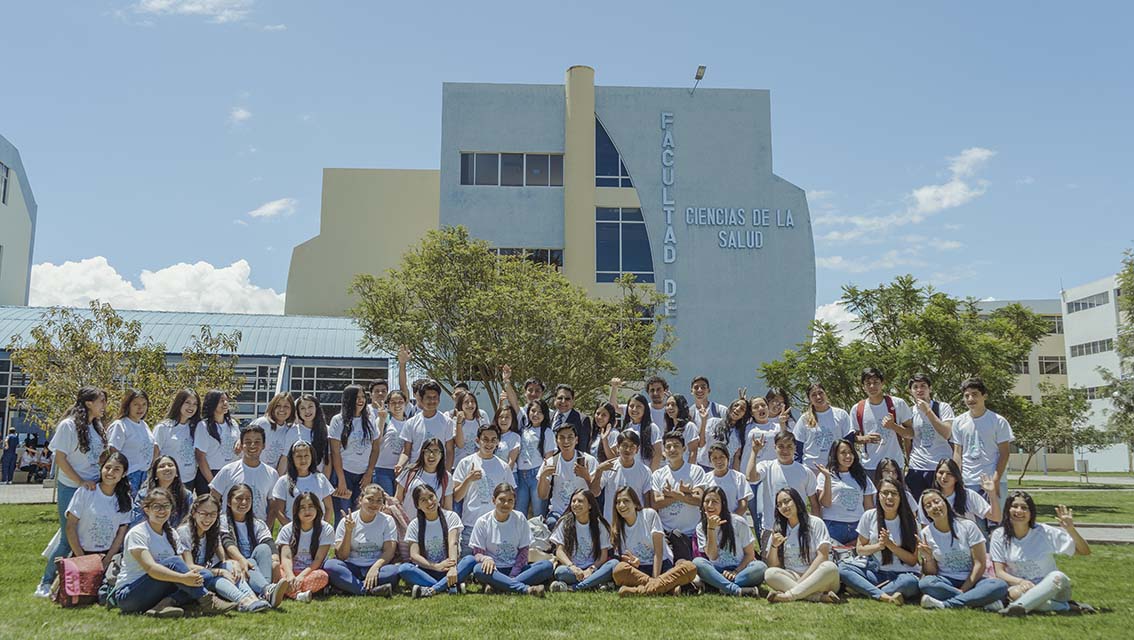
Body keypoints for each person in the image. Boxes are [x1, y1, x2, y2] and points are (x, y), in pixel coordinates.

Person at [108, 487, 236, 617]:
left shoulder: (172, 534)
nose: (162, 511)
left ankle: (165, 604)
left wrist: (188, 577)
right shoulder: (138, 533)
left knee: (205, 575)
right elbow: (151, 568)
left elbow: (183, 567)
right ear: (147, 510)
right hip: (130, 596)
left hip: (158, 591)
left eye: (166, 506)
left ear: (171, 509)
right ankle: (207, 601)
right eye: (157, 507)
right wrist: (183, 578)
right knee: (173, 563)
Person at [36, 386, 108, 598]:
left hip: (93, 486)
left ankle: (77, 578)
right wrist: (80, 481)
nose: (104, 406)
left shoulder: (96, 427)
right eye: (101, 401)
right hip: (72, 486)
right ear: (88, 403)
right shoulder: (68, 426)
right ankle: (45, 583)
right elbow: (60, 459)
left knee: (86, 535)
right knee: (69, 537)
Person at [992, 492, 1095, 616]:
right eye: (1014, 506)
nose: (1019, 511)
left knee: (1057, 576)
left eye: (1024, 508)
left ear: (1031, 513)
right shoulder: (999, 535)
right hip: (1022, 588)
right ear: (1008, 509)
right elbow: (1000, 572)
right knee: (1015, 594)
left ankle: (1016, 606)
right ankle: (1067, 607)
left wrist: (1070, 529)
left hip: (1054, 588)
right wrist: (1020, 582)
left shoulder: (1045, 532)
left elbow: (1085, 551)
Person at [179, 493, 275, 612]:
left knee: (231, 566)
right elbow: (189, 566)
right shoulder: (184, 532)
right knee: (220, 577)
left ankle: (253, 599)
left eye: (213, 514)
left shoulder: (212, 531)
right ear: (194, 513)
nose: (208, 519)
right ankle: (243, 601)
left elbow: (223, 559)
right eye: (203, 514)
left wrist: (233, 563)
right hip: (195, 578)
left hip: (209, 573)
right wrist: (219, 571)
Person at [916, 488, 1009, 610]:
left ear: (946, 503)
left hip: (974, 580)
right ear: (926, 513)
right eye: (928, 506)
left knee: (999, 585)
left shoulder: (967, 526)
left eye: (937, 501)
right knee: (926, 583)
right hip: (946, 581)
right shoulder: (925, 534)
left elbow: (980, 564)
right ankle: (976, 600)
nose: (934, 507)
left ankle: (946, 604)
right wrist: (928, 558)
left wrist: (964, 589)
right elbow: (931, 573)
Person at [838, 477, 921, 605]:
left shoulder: (910, 522)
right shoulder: (869, 516)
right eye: (885, 493)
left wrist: (891, 546)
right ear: (879, 495)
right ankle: (884, 595)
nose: (889, 497)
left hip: (902, 573)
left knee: (911, 583)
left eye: (894, 493)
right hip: (876, 572)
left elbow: (912, 560)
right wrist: (879, 546)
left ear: (900, 497)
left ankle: (865, 590)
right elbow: (860, 550)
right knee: (843, 569)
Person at [609, 486, 697, 596]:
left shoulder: (649, 515)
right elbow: (622, 557)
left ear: (636, 504)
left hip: (662, 566)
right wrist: (630, 561)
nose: (621, 505)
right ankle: (667, 589)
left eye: (626, 501)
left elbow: (658, 553)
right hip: (639, 570)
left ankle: (640, 591)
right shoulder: (617, 528)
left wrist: (655, 579)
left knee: (690, 567)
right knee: (618, 570)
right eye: (618, 502)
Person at [468, 483, 553, 596]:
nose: (506, 504)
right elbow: (477, 553)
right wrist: (485, 559)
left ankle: (501, 586)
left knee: (546, 566)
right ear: (493, 500)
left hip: (516, 569)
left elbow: (524, 552)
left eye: (510, 500)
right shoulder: (483, 522)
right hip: (493, 571)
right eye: (502, 500)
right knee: (478, 569)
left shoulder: (520, 518)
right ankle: (525, 589)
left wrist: (513, 575)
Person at [60, 451, 133, 576]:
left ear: (124, 473)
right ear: (101, 468)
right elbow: (70, 526)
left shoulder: (125, 499)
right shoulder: (85, 492)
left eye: (116, 469)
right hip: (81, 553)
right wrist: (83, 559)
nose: (110, 473)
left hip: (108, 556)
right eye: (107, 467)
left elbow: (121, 534)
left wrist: (107, 561)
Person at [764, 488, 841, 603]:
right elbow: (773, 565)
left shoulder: (815, 523)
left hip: (819, 578)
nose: (784, 506)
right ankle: (817, 597)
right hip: (793, 576)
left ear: (797, 501)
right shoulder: (779, 529)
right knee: (769, 574)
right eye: (779, 505)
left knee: (830, 567)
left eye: (787, 501)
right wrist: (774, 546)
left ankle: (789, 596)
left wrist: (803, 582)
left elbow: (823, 556)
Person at [398, 484, 476, 598]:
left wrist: (453, 568)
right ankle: (450, 586)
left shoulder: (451, 516)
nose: (430, 502)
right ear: (418, 506)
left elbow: (453, 543)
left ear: (437, 497)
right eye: (423, 500)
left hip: (449, 569)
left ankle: (432, 589)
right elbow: (414, 556)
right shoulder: (415, 525)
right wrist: (436, 566)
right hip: (428, 570)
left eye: (431, 497)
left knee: (470, 560)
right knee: (404, 568)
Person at [324, 483, 399, 596]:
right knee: (330, 566)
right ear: (360, 500)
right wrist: (348, 531)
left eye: (379, 500)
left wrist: (375, 568)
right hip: (352, 566)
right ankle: (368, 590)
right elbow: (341, 556)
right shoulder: (348, 520)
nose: (374, 504)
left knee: (393, 572)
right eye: (370, 499)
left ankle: (349, 587)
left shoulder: (387, 521)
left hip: (376, 565)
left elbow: (389, 551)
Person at [220, 483, 291, 604]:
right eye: (239, 498)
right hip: (233, 564)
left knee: (263, 548)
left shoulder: (257, 523)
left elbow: (268, 542)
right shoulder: (222, 521)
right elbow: (227, 543)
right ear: (228, 502)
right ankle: (267, 590)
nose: (243, 502)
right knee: (250, 562)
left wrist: (275, 561)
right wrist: (242, 559)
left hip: (254, 567)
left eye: (248, 499)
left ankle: (267, 590)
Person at [746, 431, 820, 546]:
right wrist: (754, 452)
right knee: (771, 563)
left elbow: (814, 504)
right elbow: (751, 477)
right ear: (774, 447)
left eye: (789, 446)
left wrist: (814, 529)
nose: (785, 450)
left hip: (799, 529)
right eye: (781, 446)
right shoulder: (767, 466)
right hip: (772, 528)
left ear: (795, 448)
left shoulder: (805, 472)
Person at [951, 377, 1013, 511]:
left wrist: (995, 480)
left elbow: (1004, 453)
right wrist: (957, 479)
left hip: (993, 481)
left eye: (974, 394)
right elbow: (957, 453)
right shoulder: (958, 422)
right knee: (976, 526)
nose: (970, 399)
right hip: (969, 481)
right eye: (966, 396)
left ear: (984, 396)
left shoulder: (998, 421)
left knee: (996, 524)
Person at [692, 486, 765, 597]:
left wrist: (735, 572)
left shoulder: (738, 522)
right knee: (697, 562)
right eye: (707, 501)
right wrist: (710, 529)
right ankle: (735, 590)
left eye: (715, 501)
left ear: (723, 504)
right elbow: (712, 557)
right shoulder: (701, 527)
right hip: (716, 570)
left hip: (740, 570)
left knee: (760, 567)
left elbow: (750, 554)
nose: (710, 505)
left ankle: (716, 585)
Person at [454, 425, 516, 552]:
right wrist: (468, 480)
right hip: (470, 525)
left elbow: (511, 498)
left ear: (498, 442)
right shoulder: (465, 462)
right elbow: (456, 496)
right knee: (467, 565)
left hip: (495, 525)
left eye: (493, 440)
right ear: (477, 441)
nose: (489, 443)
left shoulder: (504, 467)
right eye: (485, 439)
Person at [651, 429, 707, 562]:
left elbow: (699, 500)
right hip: (667, 533)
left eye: (676, 445)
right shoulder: (658, 474)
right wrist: (684, 494)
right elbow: (655, 503)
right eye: (668, 446)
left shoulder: (695, 471)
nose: (672, 449)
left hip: (692, 532)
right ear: (664, 452)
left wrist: (672, 494)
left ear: (684, 448)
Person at [329, 385, 380, 523]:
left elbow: (375, 448)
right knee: (343, 516)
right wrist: (341, 480)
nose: (361, 400)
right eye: (357, 397)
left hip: (364, 475)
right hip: (344, 473)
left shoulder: (370, 419)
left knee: (361, 514)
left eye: (363, 397)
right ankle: (342, 543)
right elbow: (335, 452)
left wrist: (369, 472)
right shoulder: (338, 420)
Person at [210, 425, 280, 524]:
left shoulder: (272, 474)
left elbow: (273, 507)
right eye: (247, 442)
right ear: (242, 445)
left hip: (257, 528)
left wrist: (266, 529)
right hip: (230, 527)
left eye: (257, 442)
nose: (252, 445)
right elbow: (213, 498)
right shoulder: (228, 470)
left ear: (263, 445)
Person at [548, 489, 615, 592]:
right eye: (573, 501)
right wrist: (573, 567)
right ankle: (594, 583)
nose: (576, 504)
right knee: (560, 572)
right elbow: (559, 551)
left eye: (580, 501)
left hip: (593, 568)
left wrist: (591, 569)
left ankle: (574, 587)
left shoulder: (599, 524)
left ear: (590, 505)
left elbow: (603, 556)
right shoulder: (565, 522)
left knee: (613, 564)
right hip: (571, 569)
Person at [851, 368, 914, 473]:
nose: (872, 386)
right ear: (863, 386)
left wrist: (893, 426)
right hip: (869, 466)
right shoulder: (857, 408)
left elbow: (911, 433)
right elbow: (853, 437)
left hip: (894, 465)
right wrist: (864, 438)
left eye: (876, 382)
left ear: (882, 383)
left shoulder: (898, 404)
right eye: (868, 383)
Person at [538, 423, 599, 531]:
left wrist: (586, 477)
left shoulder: (588, 460)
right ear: (557, 441)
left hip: (583, 511)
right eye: (562, 437)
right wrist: (543, 477)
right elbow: (543, 495)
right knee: (552, 523)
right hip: (558, 512)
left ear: (576, 440)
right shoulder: (551, 462)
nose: (566, 441)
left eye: (570, 437)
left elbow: (596, 492)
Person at [276, 492, 335, 602]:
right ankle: (299, 595)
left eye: (311, 507)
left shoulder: (326, 529)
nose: (307, 511)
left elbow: (318, 560)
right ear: (296, 511)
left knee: (322, 576)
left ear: (317, 508)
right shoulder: (287, 529)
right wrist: (290, 576)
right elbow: (286, 558)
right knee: (275, 570)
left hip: (311, 571)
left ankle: (287, 591)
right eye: (302, 508)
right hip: (290, 570)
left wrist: (301, 576)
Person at [905, 373, 955, 499]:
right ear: (910, 391)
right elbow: (908, 440)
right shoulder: (909, 412)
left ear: (930, 389)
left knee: (941, 506)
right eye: (915, 387)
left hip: (940, 468)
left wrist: (928, 411)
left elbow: (947, 433)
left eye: (923, 386)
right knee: (918, 509)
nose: (919, 390)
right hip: (917, 467)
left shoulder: (942, 407)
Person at [817, 440, 876, 546]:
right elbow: (825, 503)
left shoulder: (862, 476)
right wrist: (827, 478)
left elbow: (869, 507)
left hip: (857, 526)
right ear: (835, 455)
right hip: (833, 526)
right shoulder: (825, 475)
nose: (848, 456)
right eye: (843, 453)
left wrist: (870, 528)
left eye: (851, 452)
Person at [590, 430, 654, 523]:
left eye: (632, 446)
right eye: (624, 445)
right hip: (612, 522)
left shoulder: (645, 471)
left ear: (637, 449)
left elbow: (647, 501)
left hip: (636, 523)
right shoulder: (608, 467)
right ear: (617, 447)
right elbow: (594, 493)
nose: (628, 449)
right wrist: (599, 471)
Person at [396, 380, 455, 475]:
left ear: (439, 399)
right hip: (415, 472)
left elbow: (450, 451)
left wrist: (447, 473)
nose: (432, 401)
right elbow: (406, 451)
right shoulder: (411, 423)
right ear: (421, 399)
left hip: (438, 473)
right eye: (428, 397)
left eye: (435, 397)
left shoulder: (447, 422)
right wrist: (400, 464)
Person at [269, 441, 334, 526]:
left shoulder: (321, 478)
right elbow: (279, 511)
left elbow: (329, 508)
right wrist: (291, 531)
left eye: (306, 456)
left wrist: (323, 529)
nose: (303, 460)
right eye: (299, 456)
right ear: (292, 458)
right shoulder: (283, 481)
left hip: (316, 530)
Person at [106, 388, 156, 493]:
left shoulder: (144, 425)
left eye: (144, 404)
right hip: (129, 475)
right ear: (128, 405)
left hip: (145, 476)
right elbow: (113, 451)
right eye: (136, 404)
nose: (140, 408)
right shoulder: (120, 425)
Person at [795, 383, 855, 468]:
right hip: (812, 468)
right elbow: (797, 446)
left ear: (826, 393)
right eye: (814, 395)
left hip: (836, 467)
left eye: (820, 393)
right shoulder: (804, 419)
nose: (818, 397)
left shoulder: (841, 415)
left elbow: (849, 442)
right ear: (809, 399)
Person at [930, 458, 1000, 531]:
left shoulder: (968, 495)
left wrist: (992, 494)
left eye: (949, 473)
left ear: (956, 477)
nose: (944, 477)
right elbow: (925, 526)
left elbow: (995, 517)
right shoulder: (929, 498)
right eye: (941, 473)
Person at [193, 390, 241, 496]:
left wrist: (240, 441)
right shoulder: (203, 426)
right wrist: (214, 483)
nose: (225, 403)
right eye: (221, 401)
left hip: (230, 474)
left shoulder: (233, 424)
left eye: (226, 400)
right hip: (210, 475)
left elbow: (240, 440)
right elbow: (200, 457)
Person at [743, 396, 778, 531]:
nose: (760, 409)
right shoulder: (746, 428)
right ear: (751, 412)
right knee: (754, 516)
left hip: (767, 477)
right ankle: (761, 547)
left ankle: (768, 547)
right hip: (748, 477)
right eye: (756, 407)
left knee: (762, 512)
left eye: (763, 405)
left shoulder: (776, 427)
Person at [152, 389, 201, 486]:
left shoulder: (197, 427)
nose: (191, 407)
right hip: (168, 480)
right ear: (179, 403)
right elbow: (155, 454)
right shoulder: (164, 427)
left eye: (195, 404)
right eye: (187, 402)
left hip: (189, 480)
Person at [514, 398, 554, 517]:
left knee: (538, 512)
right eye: (533, 411)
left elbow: (549, 457)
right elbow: (515, 403)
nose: (536, 414)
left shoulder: (547, 432)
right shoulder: (523, 429)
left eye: (540, 412)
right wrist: (506, 383)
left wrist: (544, 477)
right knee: (519, 511)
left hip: (537, 475)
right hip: (521, 475)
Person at [395, 437, 454, 516]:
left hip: (431, 526)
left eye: (435, 451)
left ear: (441, 454)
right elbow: (397, 499)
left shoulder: (446, 477)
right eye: (427, 451)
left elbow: (447, 507)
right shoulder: (409, 471)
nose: (431, 455)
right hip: (406, 525)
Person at [133, 455, 193, 528]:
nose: (167, 468)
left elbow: (188, 522)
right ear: (155, 475)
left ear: (176, 473)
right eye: (162, 466)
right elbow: (137, 521)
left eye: (170, 465)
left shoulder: (186, 495)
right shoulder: (144, 495)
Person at [249, 392, 298, 477]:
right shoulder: (263, 423)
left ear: (292, 410)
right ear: (272, 407)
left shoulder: (290, 430)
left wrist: (276, 479)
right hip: (253, 472)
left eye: (286, 406)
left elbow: (285, 458)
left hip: (272, 475)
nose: (282, 409)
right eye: (278, 406)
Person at [371, 389, 409, 494]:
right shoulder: (384, 419)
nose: (397, 405)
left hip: (401, 471)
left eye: (400, 402)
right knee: (386, 504)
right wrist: (382, 420)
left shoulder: (410, 423)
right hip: (382, 469)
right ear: (388, 404)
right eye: (393, 402)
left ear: (405, 403)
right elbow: (376, 442)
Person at [695, 397, 747, 471]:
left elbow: (736, 457)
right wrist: (704, 420)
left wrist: (736, 477)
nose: (737, 409)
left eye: (742, 409)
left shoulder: (739, 434)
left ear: (744, 415)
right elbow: (700, 443)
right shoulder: (713, 422)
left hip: (724, 471)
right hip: (704, 467)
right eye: (736, 405)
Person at [703, 443, 752, 516]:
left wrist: (731, 520)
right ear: (710, 461)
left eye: (722, 457)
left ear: (728, 458)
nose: (719, 461)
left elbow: (743, 505)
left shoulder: (739, 477)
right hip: (712, 522)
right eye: (714, 458)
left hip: (735, 521)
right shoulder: (705, 478)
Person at [622, 393, 662, 470]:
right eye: (631, 406)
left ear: (645, 409)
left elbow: (658, 454)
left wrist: (651, 474)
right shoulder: (626, 427)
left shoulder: (652, 428)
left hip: (646, 474)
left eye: (638, 406)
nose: (634, 409)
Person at [451, 388, 490, 468]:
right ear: (460, 405)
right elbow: (460, 444)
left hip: (479, 464)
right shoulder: (454, 421)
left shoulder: (481, 419)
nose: (470, 404)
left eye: (473, 401)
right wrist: (459, 423)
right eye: (466, 402)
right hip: (460, 465)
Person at [294, 393, 331, 476]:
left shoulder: (327, 430)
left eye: (310, 407)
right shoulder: (293, 432)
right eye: (302, 408)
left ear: (316, 408)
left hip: (319, 480)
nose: (307, 411)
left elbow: (328, 462)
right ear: (298, 412)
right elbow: (286, 459)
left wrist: (324, 484)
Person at [551, 384, 591, 458]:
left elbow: (582, 449)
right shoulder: (548, 416)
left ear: (573, 400)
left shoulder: (582, 420)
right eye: (560, 398)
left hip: (569, 463)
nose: (563, 401)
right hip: (548, 462)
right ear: (555, 399)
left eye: (567, 399)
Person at [663, 394, 700, 464]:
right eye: (667, 405)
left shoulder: (689, 426)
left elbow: (693, 451)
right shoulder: (670, 428)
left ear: (680, 407)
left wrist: (689, 471)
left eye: (673, 405)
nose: (670, 407)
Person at [492, 398, 521, 468]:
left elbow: (511, 462)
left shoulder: (514, 436)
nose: (503, 420)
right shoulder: (493, 435)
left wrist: (505, 477)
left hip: (509, 474)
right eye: (501, 417)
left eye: (507, 417)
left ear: (512, 420)